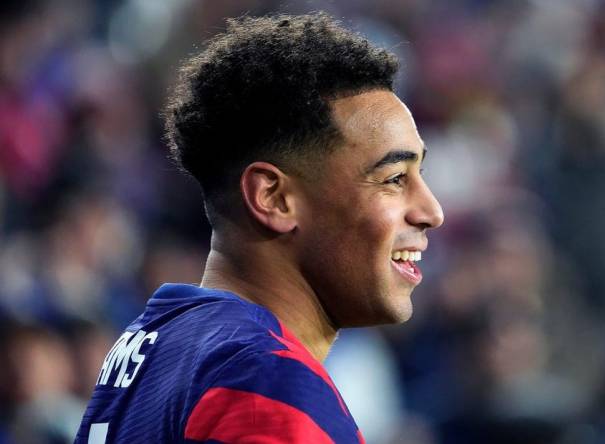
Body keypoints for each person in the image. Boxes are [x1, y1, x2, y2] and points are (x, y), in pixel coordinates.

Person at [74, 12, 443, 443]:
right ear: (273, 197)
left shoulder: (148, 346)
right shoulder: (265, 377)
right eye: (394, 178)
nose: (431, 210)